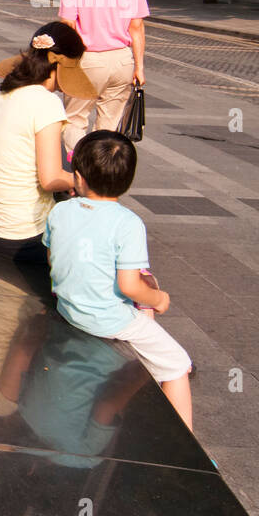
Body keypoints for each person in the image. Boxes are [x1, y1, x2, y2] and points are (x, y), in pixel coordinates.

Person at [44, 130, 193, 429]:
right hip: (108, 320)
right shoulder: (128, 223)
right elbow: (129, 286)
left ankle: (139, 373)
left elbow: (54, 261)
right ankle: (188, 452)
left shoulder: (59, 211)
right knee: (178, 364)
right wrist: (159, 299)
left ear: (78, 177)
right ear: (126, 181)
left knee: (143, 312)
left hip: (69, 307)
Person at [0, 21, 96, 265]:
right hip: (27, 234)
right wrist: (84, 181)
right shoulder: (45, 103)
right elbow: (50, 178)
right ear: (61, 66)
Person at [58, 0, 149, 155]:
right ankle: (100, 176)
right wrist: (139, 67)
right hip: (121, 60)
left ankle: (77, 169)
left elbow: (67, 23)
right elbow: (136, 26)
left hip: (86, 58)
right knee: (110, 125)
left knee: (74, 120)